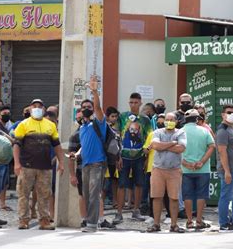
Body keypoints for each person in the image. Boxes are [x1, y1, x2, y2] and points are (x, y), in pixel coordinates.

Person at [13, 98, 65, 230]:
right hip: (26, 166)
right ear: (30, 108)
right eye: (34, 106)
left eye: (40, 106)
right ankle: (23, 220)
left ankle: (44, 221)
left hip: (45, 167)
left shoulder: (50, 125)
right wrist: (16, 163)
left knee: (44, 194)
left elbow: (57, 145)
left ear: (44, 109)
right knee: (23, 194)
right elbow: (16, 145)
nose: (37, 108)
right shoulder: (23, 125)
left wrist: (61, 162)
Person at [70, 76, 108, 232]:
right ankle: (89, 221)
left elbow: (98, 108)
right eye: (83, 106)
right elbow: (84, 146)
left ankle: (92, 224)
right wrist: (77, 154)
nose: (86, 108)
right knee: (86, 195)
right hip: (84, 165)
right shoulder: (82, 128)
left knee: (94, 193)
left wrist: (94, 92)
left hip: (98, 164)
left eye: (89, 106)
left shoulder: (98, 122)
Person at [113, 92, 152, 224]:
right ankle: (119, 213)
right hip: (124, 156)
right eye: (131, 102)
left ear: (140, 103)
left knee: (139, 183)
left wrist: (147, 157)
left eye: (136, 102)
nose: (133, 105)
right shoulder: (122, 117)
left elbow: (149, 138)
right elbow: (117, 136)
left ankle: (136, 210)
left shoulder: (145, 120)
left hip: (140, 157)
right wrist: (118, 156)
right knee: (121, 184)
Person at [146, 112, 186, 233]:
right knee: (157, 197)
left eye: (172, 119)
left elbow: (181, 148)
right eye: (167, 119)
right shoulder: (158, 132)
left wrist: (162, 146)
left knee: (173, 198)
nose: (169, 121)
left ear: (176, 121)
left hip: (174, 169)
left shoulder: (181, 132)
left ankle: (174, 225)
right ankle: (156, 224)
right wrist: (172, 143)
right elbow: (155, 145)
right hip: (158, 169)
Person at [181, 109, 215, 230]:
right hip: (203, 168)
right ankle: (199, 220)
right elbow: (212, 146)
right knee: (202, 194)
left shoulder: (180, 131)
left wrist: (185, 163)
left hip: (185, 169)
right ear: (197, 119)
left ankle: (189, 221)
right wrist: (202, 161)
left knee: (187, 195)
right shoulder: (204, 131)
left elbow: (176, 149)